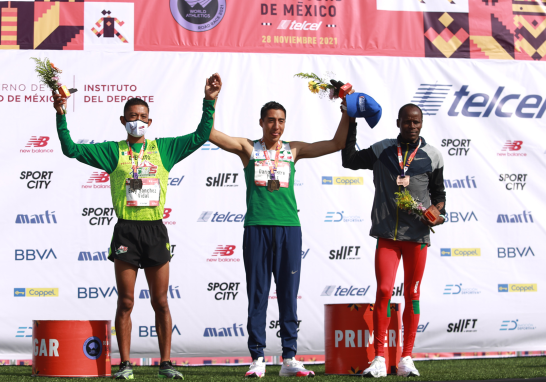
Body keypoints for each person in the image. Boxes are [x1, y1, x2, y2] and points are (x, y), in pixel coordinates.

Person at [52, 74, 221, 380]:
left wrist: (210, 100)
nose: (138, 121)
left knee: (160, 301)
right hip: (126, 232)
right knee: (126, 301)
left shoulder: (164, 149)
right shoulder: (112, 151)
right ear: (123, 120)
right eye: (132, 117)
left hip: (155, 231)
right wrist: (60, 115)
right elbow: (71, 149)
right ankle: (125, 364)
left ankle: (166, 363)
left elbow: (200, 135)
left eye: (143, 117)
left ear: (150, 121)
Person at [207, 88, 366, 377]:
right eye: (270, 120)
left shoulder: (293, 149)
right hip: (257, 228)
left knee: (288, 295)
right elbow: (211, 134)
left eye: (280, 120)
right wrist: (210, 100)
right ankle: (257, 358)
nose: (276, 126)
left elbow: (337, 142)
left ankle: (289, 359)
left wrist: (347, 110)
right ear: (261, 123)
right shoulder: (248, 148)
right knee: (258, 294)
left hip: (289, 229)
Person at [341, 103, 446, 378]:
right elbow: (349, 159)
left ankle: (406, 358)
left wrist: (438, 211)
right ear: (398, 122)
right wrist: (351, 120)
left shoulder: (433, 155)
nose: (412, 126)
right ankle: (379, 357)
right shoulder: (383, 150)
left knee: (412, 294)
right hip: (387, 234)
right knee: (384, 291)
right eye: (407, 122)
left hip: (417, 237)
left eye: (417, 122)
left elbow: (439, 195)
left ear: (421, 123)